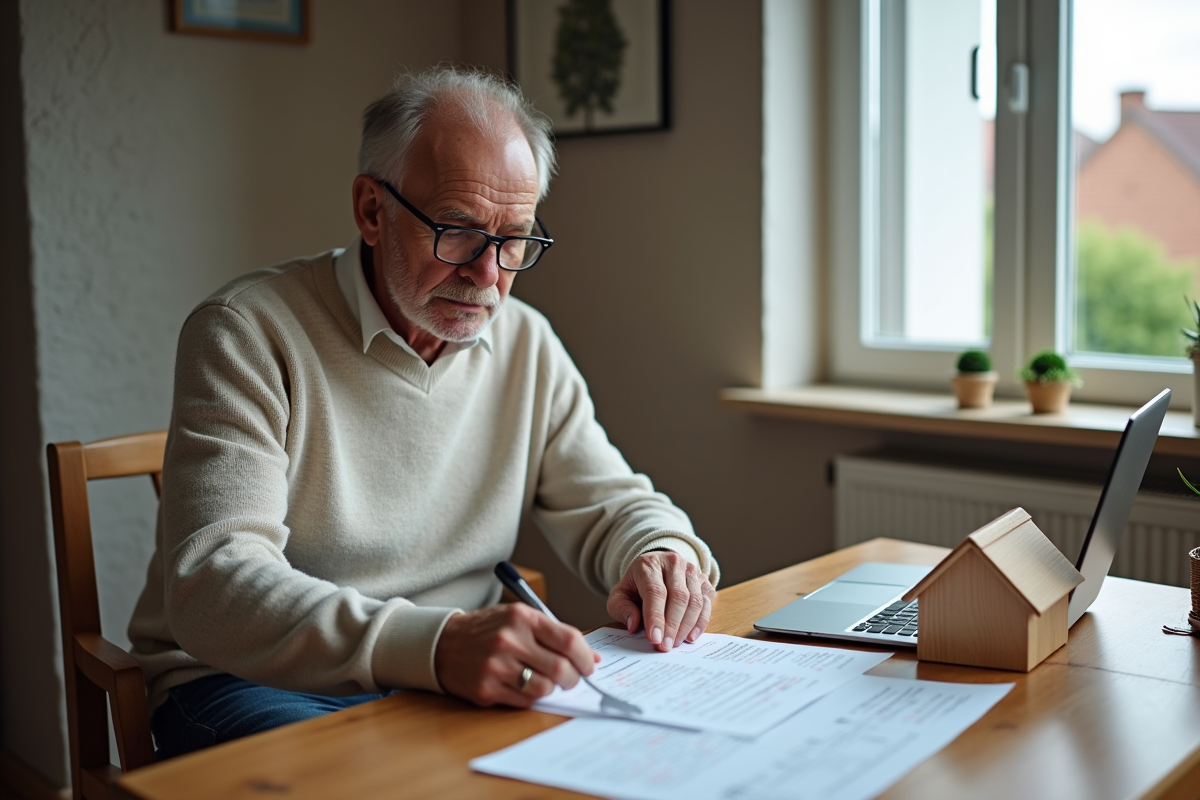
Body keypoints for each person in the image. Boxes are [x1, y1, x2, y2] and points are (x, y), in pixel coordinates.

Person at [128, 66, 719, 758]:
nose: (488, 275)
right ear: (371, 211)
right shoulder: (246, 331)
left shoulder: (524, 340)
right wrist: (431, 644)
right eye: (460, 231)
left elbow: (612, 502)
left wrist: (662, 551)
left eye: (515, 239)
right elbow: (215, 584)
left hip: (447, 673)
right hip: (254, 682)